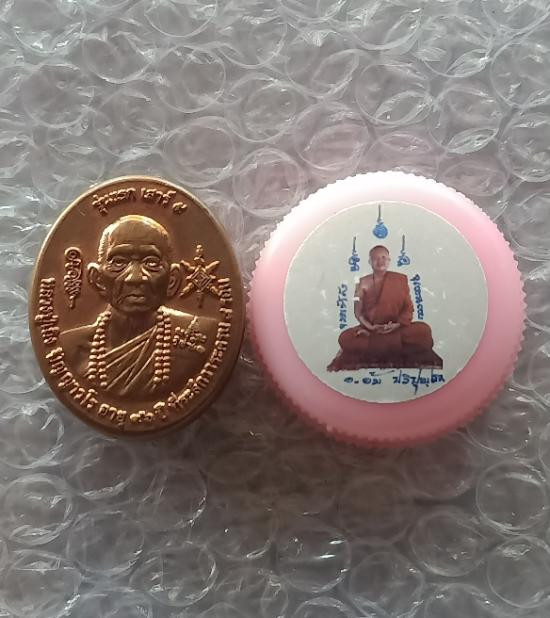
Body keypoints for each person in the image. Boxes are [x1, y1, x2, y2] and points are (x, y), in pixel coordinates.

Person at [60, 215, 218, 398]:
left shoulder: (203, 335)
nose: (135, 278)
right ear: (97, 279)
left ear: (172, 280)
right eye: (119, 262)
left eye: (151, 262)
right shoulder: (70, 347)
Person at [328, 245, 438, 370]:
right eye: (376, 258)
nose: (380, 261)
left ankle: (377, 346)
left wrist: (397, 325)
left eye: (384, 257)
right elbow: (358, 312)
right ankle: (394, 347)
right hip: (370, 330)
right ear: (370, 262)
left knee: (423, 330)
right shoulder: (361, 282)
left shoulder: (401, 279)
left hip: (397, 329)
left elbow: (408, 308)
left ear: (389, 260)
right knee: (345, 338)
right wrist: (370, 327)